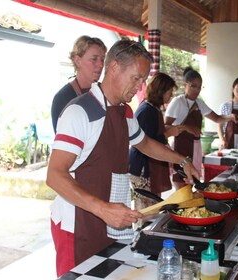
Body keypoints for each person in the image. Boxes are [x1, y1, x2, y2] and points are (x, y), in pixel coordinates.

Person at [46, 40, 199, 277]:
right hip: (76, 224)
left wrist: (182, 160)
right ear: (115, 67)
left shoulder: (124, 111)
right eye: (136, 78)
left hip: (109, 219)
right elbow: (55, 175)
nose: (139, 87)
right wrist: (103, 209)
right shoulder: (80, 112)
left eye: (142, 81)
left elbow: (146, 143)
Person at [165, 67, 238, 188]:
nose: (197, 90)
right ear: (185, 85)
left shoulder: (199, 103)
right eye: (194, 86)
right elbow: (166, 127)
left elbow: (217, 118)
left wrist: (231, 117)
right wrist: (187, 127)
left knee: (191, 183)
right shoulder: (178, 102)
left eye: (200, 87)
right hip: (180, 147)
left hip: (195, 147)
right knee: (181, 184)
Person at [129, 72, 185, 210]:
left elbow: (153, 131)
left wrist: (168, 130)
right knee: (146, 209)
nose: (170, 96)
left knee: (153, 206)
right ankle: (143, 231)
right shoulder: (147, 111)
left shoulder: (153, 109)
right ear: (160, 91)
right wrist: (168, 134)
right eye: (169, 92)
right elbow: (146, 142)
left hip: (149, 167)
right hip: (142, 168)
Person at [51, 35, 107, 133]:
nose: (101, 65)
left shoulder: (105, 94)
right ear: (77, 61)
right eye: (94, 59)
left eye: (102, 59)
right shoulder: (63, 98)